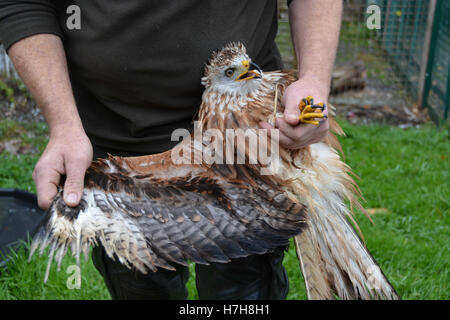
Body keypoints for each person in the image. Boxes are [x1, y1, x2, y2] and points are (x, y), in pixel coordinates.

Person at [0, 0, 342, 300]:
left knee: (241, 292)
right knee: (140, 286)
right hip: (117, 144)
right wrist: (63, 126)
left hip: (247, 139)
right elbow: (24, 4)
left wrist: (313, 82)